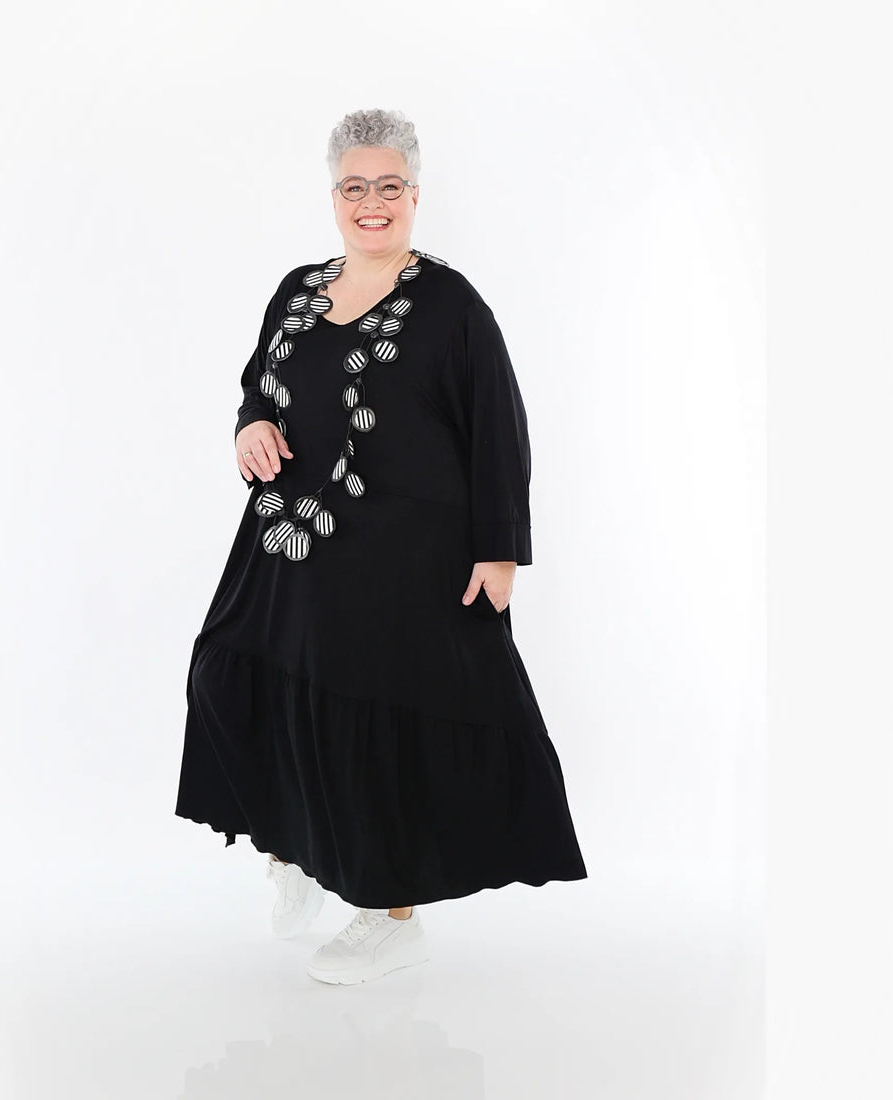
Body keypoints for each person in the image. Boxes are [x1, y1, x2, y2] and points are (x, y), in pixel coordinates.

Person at [175, 108, 587, 986]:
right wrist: (250, 424)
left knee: (376, 727)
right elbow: (261, 385)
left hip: (404, 558)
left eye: (389, 185)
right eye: (355, 186)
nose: (373, 202)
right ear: (334, 196)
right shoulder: (297, 289)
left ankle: (389, 916)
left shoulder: (451, 306)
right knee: (227, 678)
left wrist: (499, 550)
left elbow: (499, 428)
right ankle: (291, 849)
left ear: (414, 193)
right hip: (291, 543)